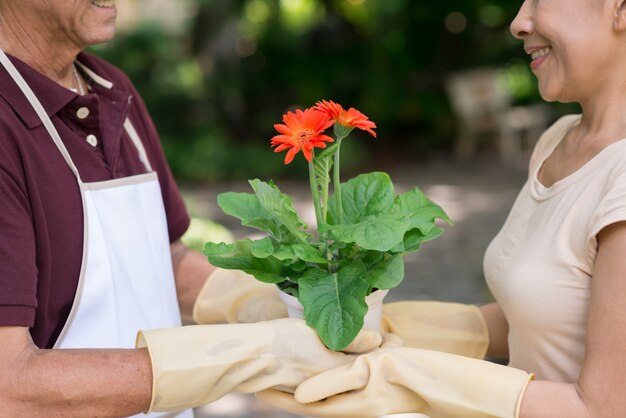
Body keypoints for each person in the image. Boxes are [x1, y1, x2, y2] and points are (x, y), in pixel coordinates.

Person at [0, 1, 384, 416]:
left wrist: (272, 305)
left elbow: (164, 259)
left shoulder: (112, 88)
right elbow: (9, 385)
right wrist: (249, 357)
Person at [256, 0, 626, 416]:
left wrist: (407, 379)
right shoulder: (557, 141)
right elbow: (539, 323)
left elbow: (601, 409)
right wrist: (390, 328)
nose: (519, 22)